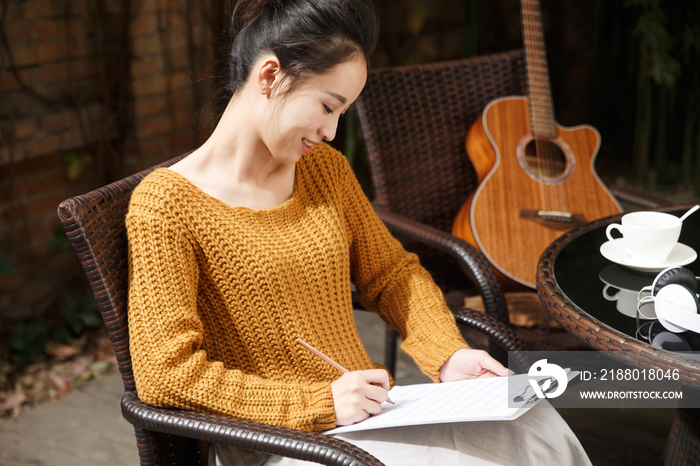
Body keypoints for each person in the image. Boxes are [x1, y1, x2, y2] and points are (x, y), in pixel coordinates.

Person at [125, 0, 592, 464]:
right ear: (270, 76)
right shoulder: (165, 206)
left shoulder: (323, 170)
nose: (330, 131)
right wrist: (320, 403)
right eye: (328, 106)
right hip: (274, 441)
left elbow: (392, 273)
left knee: (535, 426)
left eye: (342, 113)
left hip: (368, 415)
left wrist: (448, 354)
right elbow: (165, 374)